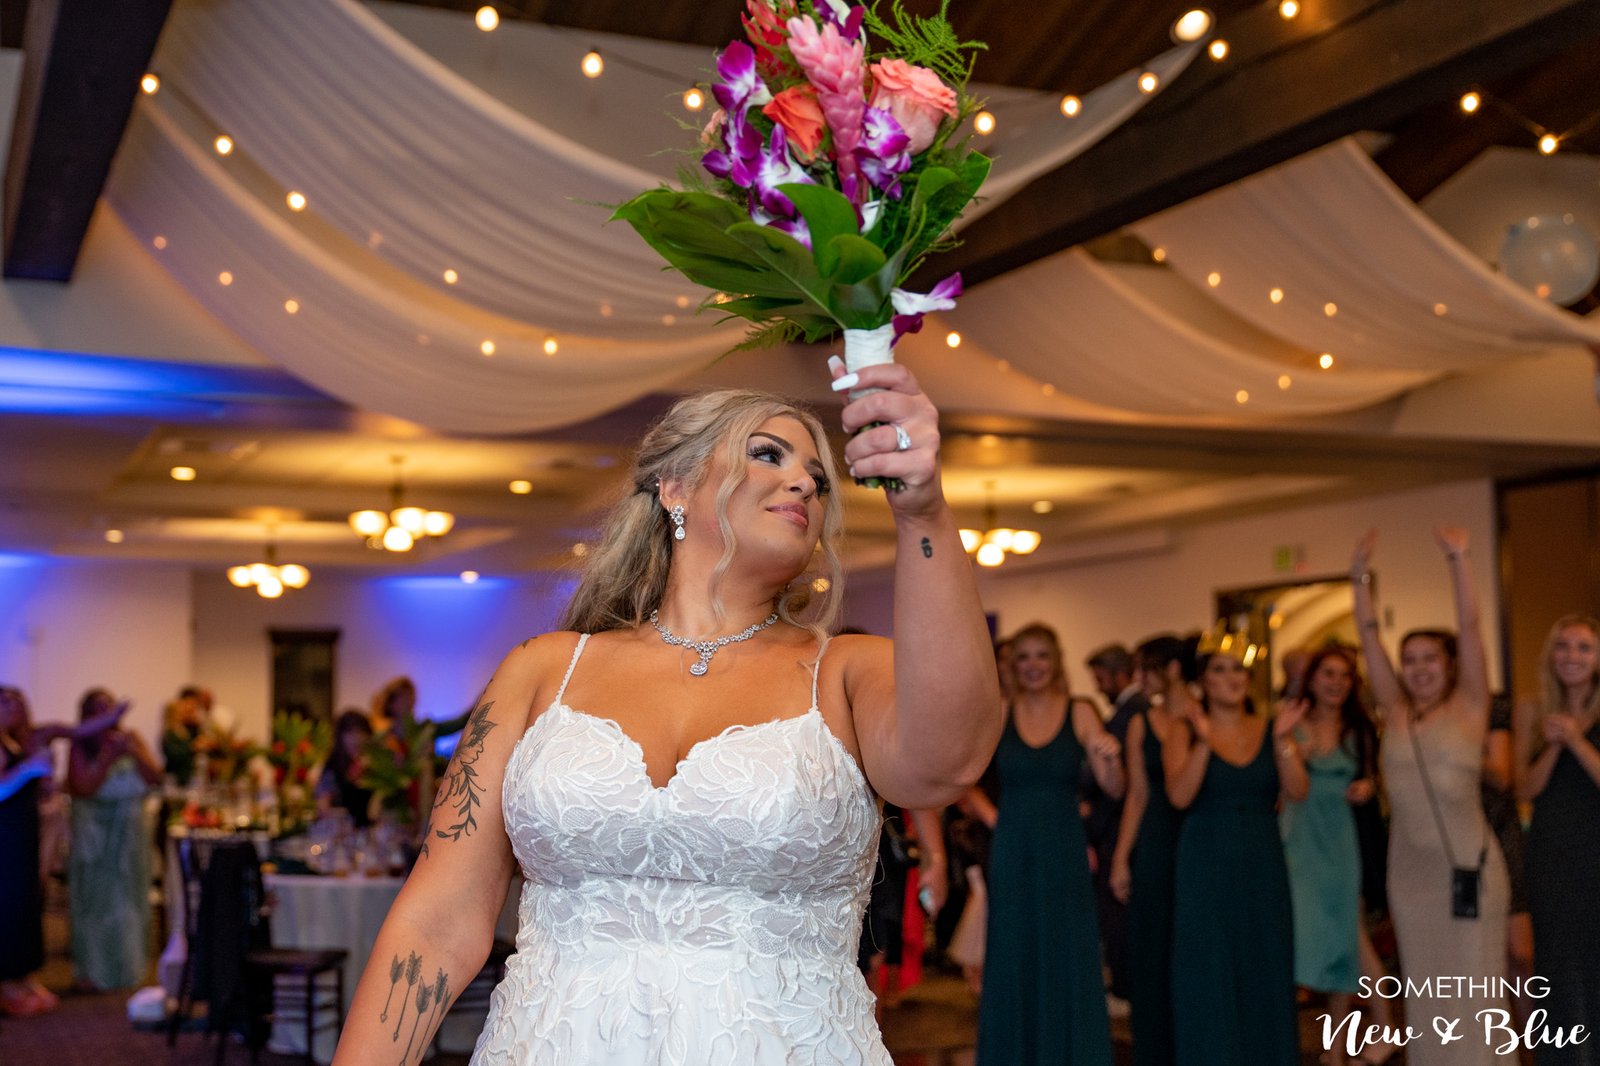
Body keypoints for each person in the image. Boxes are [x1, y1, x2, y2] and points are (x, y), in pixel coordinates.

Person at [329, 371, 1002, 1065]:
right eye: (768, 454)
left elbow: (947, 763)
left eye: (819, 478)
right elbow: (437, 923)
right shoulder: (543, 669)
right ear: (675, 487)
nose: (804, 482)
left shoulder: (846, 672)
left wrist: (922, 512)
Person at [1351, 528, 1508, 1066]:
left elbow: (1470, 626)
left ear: (1450, 664)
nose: (1418, 669)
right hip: (1410, 875)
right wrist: (1358, 577)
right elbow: (1368, 639)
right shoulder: (1394, 711)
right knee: (1425, 995)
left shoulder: (1469, 707)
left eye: (1430, 659)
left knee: (1473, 993)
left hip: (1467, 869)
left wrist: (1459, 558)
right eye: (1410, 659)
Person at [976, 622, 1122, 1066]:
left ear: (1056, 661)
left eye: (1042, 655)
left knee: (1067, 947)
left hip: (1062, 845)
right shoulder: (1000, 712)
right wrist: (994, 817)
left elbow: (1114, 789)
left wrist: (1109, 758)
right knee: (1013, 946)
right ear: (1012, 665)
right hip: (1014, 845)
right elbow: (961, 778)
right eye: (1024, 657)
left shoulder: (1081, 711)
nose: (1033, 665)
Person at [1165, 635, 1308, 1066]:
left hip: (1261, 857)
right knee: (1209, 962)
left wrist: (1282, 740)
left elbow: (1298, 790)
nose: (1232, 678)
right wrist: (1204, 742)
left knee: (1265, 958)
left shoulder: (1270, 725)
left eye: (1239, 669)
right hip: (1205, 858)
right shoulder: (1183, 729)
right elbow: (1179, 796)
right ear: (1203, 682)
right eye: (1220, 669)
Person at [1276, 645, 1395, 1063]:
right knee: (1308, 934)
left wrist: (1368, 787)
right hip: (1300, 837)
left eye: (1344, 676)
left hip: (1342, 839)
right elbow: (1284, 786)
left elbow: (1379, 777)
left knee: (1347, 940)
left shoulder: (1359, 728)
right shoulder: (1292, 723)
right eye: (1328, 673)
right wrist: (1292, 749)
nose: (1336, 683)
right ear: (1311, 678)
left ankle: (1337, 1048)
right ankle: (1367, 1034)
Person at [1516, 614, 1600, 1062]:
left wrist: (1577, 741)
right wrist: (1553, 744)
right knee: (1556, 965)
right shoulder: (1532, 708)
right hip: (1552, 852)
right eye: (1563, 646)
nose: (1572, 656)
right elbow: (1524, 789)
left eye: (1584, 647)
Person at [1110, 633, 1195, 1066]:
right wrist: (1122, 857)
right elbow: (1137, 795)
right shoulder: (1142, 722)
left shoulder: (1204, 717)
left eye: (1147, 669)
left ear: (1173, 669)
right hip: (1156, 843)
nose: (1140, 678)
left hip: (1198, 839)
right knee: (1152, 947)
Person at [66, 687, 162, 991]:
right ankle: (94, 972)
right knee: (97, 904)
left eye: (108, 707)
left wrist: (132, 752)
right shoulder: (80, 745)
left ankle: (128, 968)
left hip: (131, 837)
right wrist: (108, 756)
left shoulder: (131, 738)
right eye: (97, 709)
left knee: (131, 902)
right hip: (96, 839)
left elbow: (155, 777)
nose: (104, 714)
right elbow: (83, 787)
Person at [1082, 642, 1146, 1008]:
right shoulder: (1128, 712)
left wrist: (1091, 814)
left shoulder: (1129, 714)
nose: (1098, 686)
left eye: (1101, 678)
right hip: (1114, 826)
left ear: (1120, 674)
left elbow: (1123, 788)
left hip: (1116, 829)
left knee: (1118, 915)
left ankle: (1124, 987)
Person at [317, 709, 377, 828]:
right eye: (350, 732)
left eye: (360, 732)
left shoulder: (377, 764)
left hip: (373, 830)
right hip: (342, 829)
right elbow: (323, 803)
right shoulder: (333, 764)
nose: (356, 738)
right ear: (340, 736)